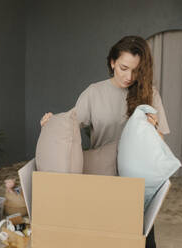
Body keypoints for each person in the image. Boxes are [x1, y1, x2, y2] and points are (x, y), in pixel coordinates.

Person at [40, 35, 170, 248]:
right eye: (123, 68)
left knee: (142, 240)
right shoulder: (94, 92)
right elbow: (70, 124)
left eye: (136, 70)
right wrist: (50, 123)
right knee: (105, 238)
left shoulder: (149, 93)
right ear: (112, 62)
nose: (129, 76)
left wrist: (153, 129)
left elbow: (161, 141)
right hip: (102, 179)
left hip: (137, 182)